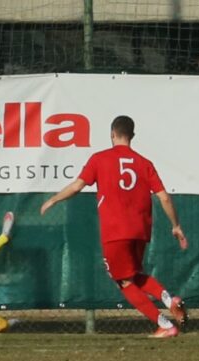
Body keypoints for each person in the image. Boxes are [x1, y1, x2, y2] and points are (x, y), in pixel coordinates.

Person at [40, 115, 188, 339]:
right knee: (134, 274)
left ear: (112, 134)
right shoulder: (144, 163)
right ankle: (169, 299)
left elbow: (77, 186)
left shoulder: (100, 159)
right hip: (140, 230)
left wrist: (54, 199)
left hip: (115, 231)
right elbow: (164, 198)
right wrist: (176, 225)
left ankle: (164, 325)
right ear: (132, 136)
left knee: (123, 281)